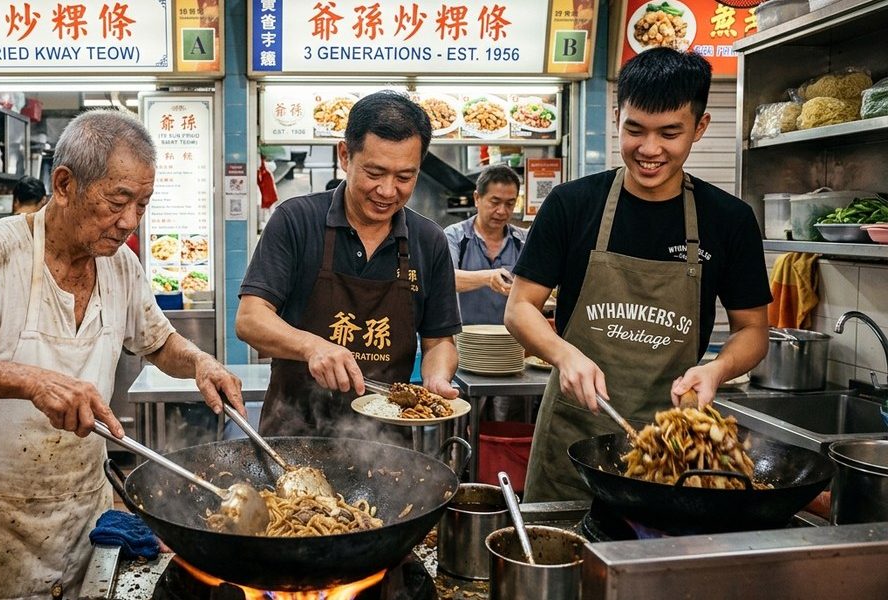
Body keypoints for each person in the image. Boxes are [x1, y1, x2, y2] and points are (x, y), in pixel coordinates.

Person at [0, 110, 245, 599]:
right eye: (119, 201)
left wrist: (200, 362)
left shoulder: (121, 267)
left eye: (143, 204)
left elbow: (158, 342)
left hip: (82, 515)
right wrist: (31, 381)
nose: (130, 222)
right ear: (65, 184)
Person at [503, 48, 771, 502]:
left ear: (699, 127)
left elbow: (753, 330)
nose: (649, 150)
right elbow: (520, 307)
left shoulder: (729, 219)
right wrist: (565, 356)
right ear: (616, 118)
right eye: (635, 129)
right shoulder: (572, 205)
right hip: (574, 432)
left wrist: (716, 370)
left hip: (672, 444)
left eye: (670, 133)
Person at [236, 90, 461, 440]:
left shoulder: (428, 240)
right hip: (295, 435)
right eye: (375, 172)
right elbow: (250, 318)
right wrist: (313, 346)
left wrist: (436, 378)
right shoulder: (296, 220)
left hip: (386, 443)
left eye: (405, 177)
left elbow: (438, 341)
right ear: (345, 155)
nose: (388, 191)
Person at [444, 165, 525, 326]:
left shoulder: (523, 240)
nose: (502, 211)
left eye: (510, 204)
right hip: (466, 341)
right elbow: (444, 279)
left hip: (511, 341)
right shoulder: (455, 236)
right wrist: (488, 278)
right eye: (495, 202)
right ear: (477, 198)